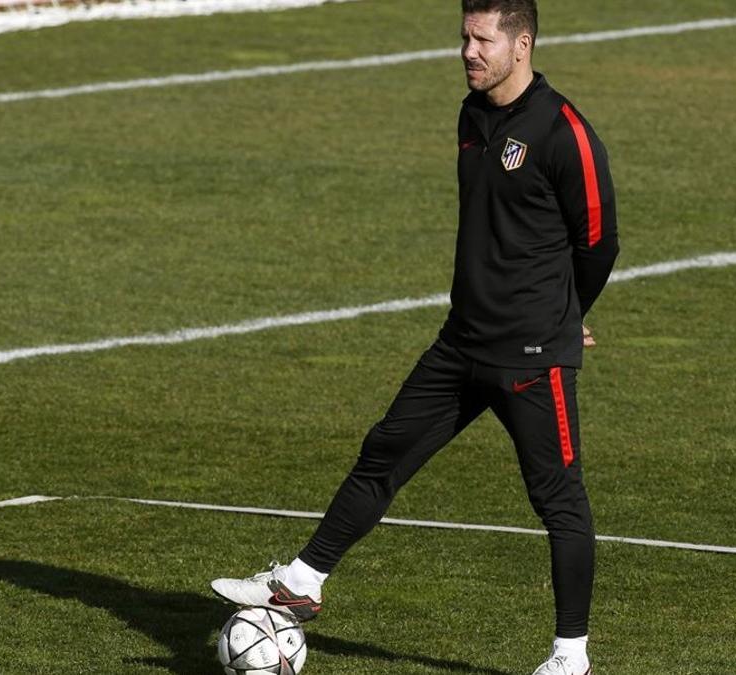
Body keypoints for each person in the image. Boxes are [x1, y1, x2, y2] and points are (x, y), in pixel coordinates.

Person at [212, 1, 618, 672]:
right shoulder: (473, 114)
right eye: (464, 36)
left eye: (481, 39)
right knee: (386, 450)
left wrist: (570, 313)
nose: (467, 50)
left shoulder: (562, 131)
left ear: (521, 46)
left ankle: (570, 656)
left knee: (559, 498)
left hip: (530, 355)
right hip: (461, 343)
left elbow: (599, 239)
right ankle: (303, 580)